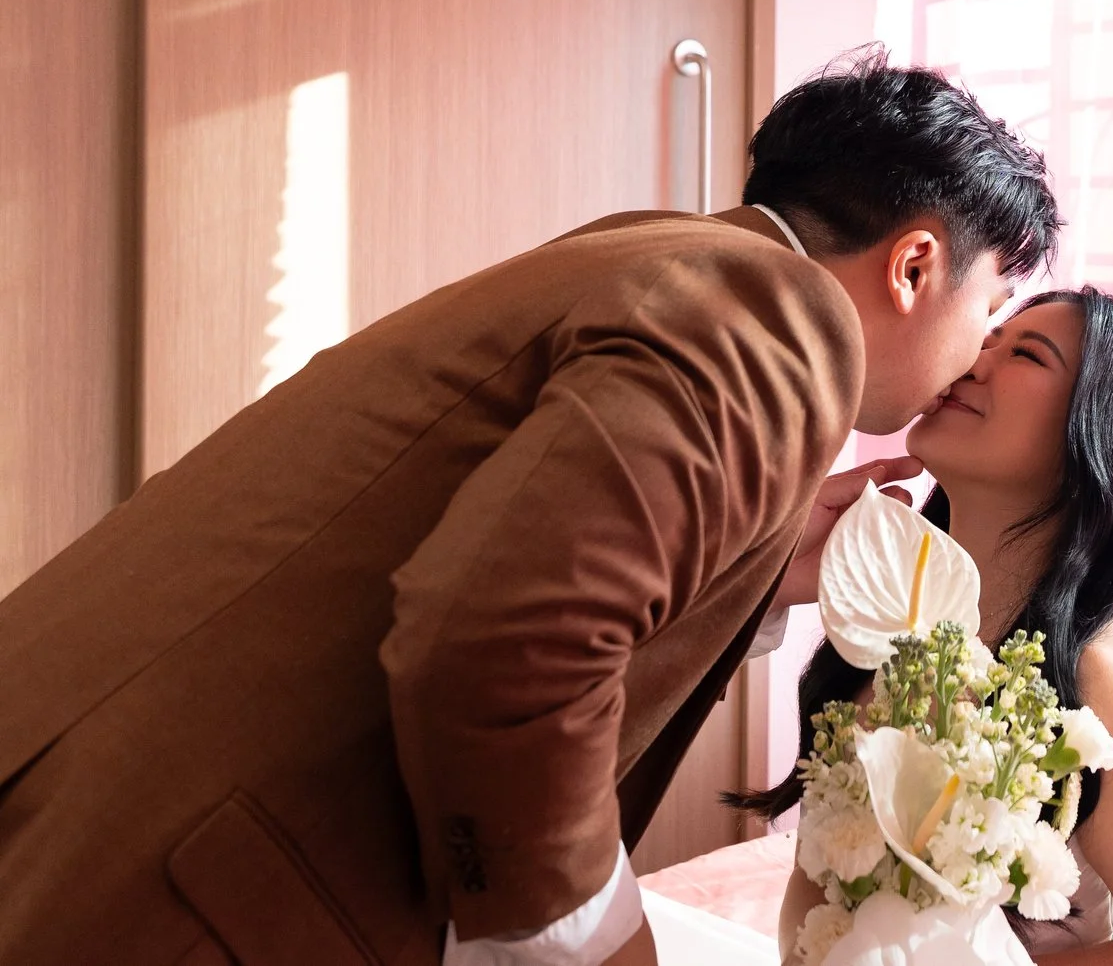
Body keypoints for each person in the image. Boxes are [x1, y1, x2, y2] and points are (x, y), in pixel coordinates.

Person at [0, 52, 1059, 966]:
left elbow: (502, 529)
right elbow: (501, 639)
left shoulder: (653, 251)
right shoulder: (781, 316)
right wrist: (581, 939)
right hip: (186, 894)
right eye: (993, 308)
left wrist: (760, 562)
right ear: (916, 263)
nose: (979, 355)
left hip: (84, 782)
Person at [742, 288, 1113, 966]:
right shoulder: (896, 604)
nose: (973, 360)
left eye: (1027, 354)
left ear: (1097, 439)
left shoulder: (1111, 684)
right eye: (988, 338)